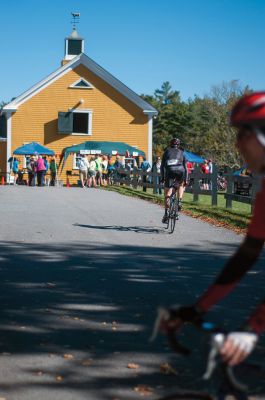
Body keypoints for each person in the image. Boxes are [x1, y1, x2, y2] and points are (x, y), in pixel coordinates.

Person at [160, 92, 265, 366]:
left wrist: (253, 328)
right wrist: (197, 309)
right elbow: (245, 256)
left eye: (243, 136)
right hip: (180, 174)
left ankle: (170, 207)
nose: (237, 146)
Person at [160, 138, 188, 223]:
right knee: (181, 184)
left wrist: (162, 178)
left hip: (170, 170)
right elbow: (186, 168)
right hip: (180, 170)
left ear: (170, 144)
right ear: (178, 145)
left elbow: (162, 167)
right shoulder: (182, 153)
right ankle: (179, 200)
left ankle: (166, 214)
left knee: (167, 194)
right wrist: (185, 180)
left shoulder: (166, 152)